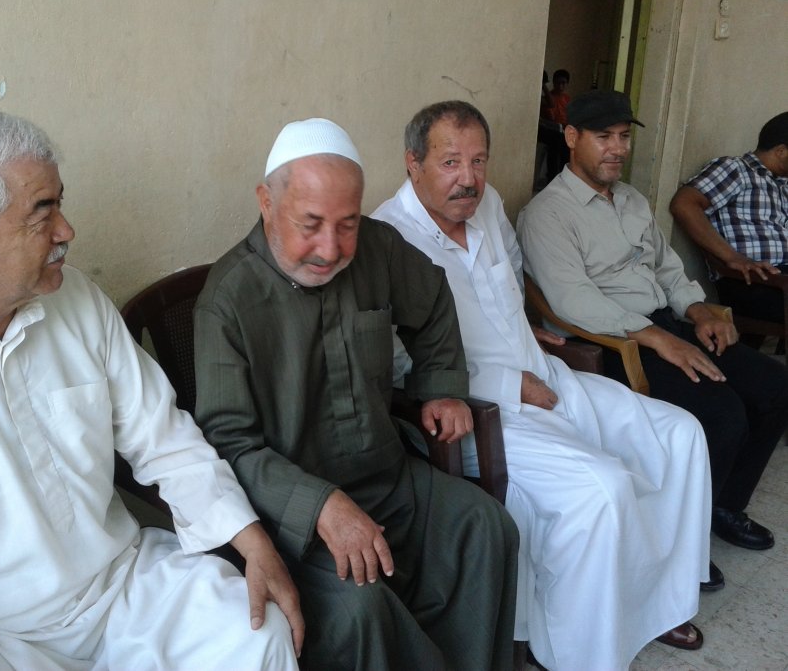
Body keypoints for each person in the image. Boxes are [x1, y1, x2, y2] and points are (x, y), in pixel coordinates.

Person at [0, 105, 302, 670]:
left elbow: (163, 437)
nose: (66, 231)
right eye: (42, 213)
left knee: (256, 634)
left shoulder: (75, 298)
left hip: (120, 592)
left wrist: (252, 541)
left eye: (60, 203)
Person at [373, 100, 711, 671]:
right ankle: (580, 653)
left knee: (681, 434)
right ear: (413, 163)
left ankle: (658, 602)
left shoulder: (487, 206)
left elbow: (507, 274)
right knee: (600, 488)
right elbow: (399, 363)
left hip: (547, 374)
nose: (468, 178)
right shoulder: (387, 238)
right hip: (480, 409)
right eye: (450, 162)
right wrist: (508, 382)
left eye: (479, 161)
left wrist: (522, 327)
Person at [192, 117, 519, 670]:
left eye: (347, 224)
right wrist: (320, 505)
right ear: (267, 203)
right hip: (293, 516)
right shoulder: (228, 301)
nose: (331, 248)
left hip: (388, 478)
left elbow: (433, 300)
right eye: (311, 224)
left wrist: (441, 387)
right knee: (358, 609)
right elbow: (229, 443)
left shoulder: (377, 248)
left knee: (486, 527)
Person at [519, 90, 788, 560]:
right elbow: (571, 300)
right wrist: (656, 338)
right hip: (612, 343)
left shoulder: (632, 200)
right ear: (571, 137)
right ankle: (681, 548)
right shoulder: (547, 213)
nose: (617, 149)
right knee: (722, 414)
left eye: (623, 137)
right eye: (604, 137)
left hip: (665, 326)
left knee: (774, 386)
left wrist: (697, 309)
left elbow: (666, 268)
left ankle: (724, 507)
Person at [670, 111, 788, 324]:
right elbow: (684, 204)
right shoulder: (736, 169)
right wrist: (733, 257)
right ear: (781, 151)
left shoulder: (781, 185)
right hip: (755, 282)